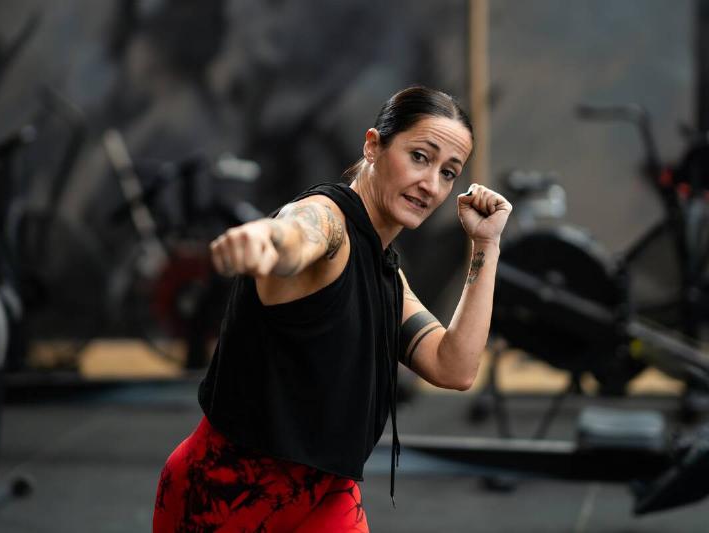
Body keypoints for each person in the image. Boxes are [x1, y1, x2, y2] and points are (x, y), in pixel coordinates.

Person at [152, 86, 512, 532]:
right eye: (420, 156)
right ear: (373, 146)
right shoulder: (328, 220)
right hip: (224, 498)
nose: (431, 184)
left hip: (325, 498)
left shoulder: (384, 272)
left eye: (449, 172)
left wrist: (486, 244)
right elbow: (301, 233)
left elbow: (453, 366)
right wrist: (266, 240)